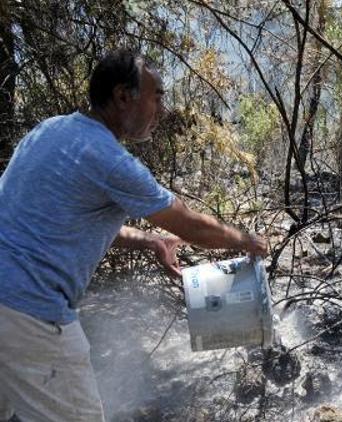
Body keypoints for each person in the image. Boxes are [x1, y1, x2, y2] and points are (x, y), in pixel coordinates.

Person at [0, 49, 268, 421]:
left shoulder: (51, 131)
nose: (162, 109)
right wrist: (245, 240)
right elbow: (189, 224)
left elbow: (63, 222)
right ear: (123, 96)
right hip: (30, 315)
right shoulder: (109, 159)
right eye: (157, 95)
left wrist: (149, 240)